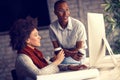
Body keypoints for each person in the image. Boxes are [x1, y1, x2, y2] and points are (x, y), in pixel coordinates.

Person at [49, 0, 88, 69]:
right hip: (63, 55)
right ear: (55, 12)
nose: (65, 14)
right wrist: (68, 53)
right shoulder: (52, 27)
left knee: (54, 63)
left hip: (78, 56)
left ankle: (70, 66)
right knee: (51, 62)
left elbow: (79, 49)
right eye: (61, 11)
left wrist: (65, 51)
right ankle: (70, 66)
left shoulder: (78, 25)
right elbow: (57, 50)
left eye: (67, 10)